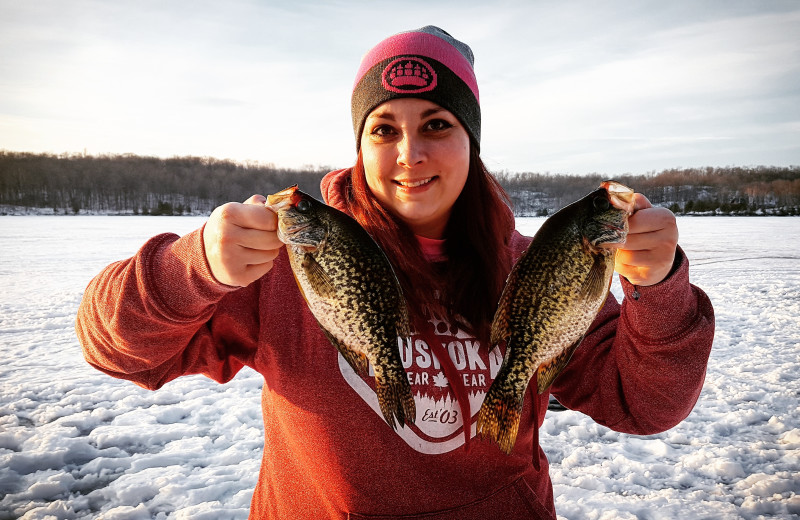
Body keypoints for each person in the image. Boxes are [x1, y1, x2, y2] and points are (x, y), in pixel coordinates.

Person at [76, 26, 715, 519]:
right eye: (385, 129)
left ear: (472, 142)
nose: (411, 154)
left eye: (437, 124)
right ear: (360, 145)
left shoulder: (537, 267)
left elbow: (647, 404)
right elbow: (116, 349)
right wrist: (196, 267)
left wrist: (658, 290)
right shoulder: (285, 266)